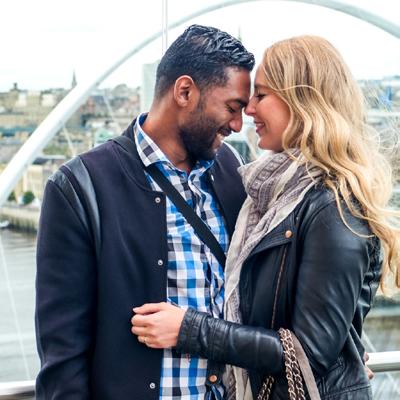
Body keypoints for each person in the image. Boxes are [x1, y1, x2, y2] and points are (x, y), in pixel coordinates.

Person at [131, 35, 400, 399]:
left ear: (302, 101)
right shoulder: (270, 195)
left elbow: (311, 354)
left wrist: (189, 330)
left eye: (261, 95)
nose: (249, 112)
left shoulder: (334, 206)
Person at [35, 24, 255, 399]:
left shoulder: (232, 171)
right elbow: (63, 358)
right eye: (232, 108)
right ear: (184, 92)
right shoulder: (81, 186)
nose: (237, 125)